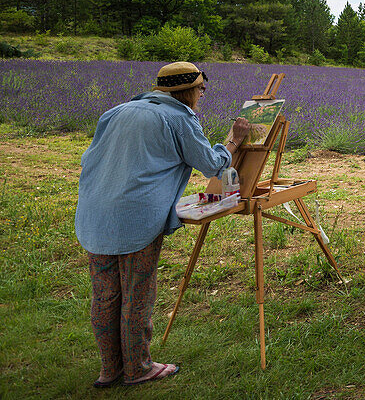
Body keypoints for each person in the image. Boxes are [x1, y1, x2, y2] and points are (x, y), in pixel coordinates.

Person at [75, 62, 250, 388]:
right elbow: (211, 164)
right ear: (186, 91)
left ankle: (109, 370)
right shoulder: (180, 117)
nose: (202, 94)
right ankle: (138, 369)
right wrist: (233, 140)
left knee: (105, 295)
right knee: (136, 295)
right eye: (200, 88)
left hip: (94, 212)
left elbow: (90, 159)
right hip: (135, 218)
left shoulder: (117, 111)